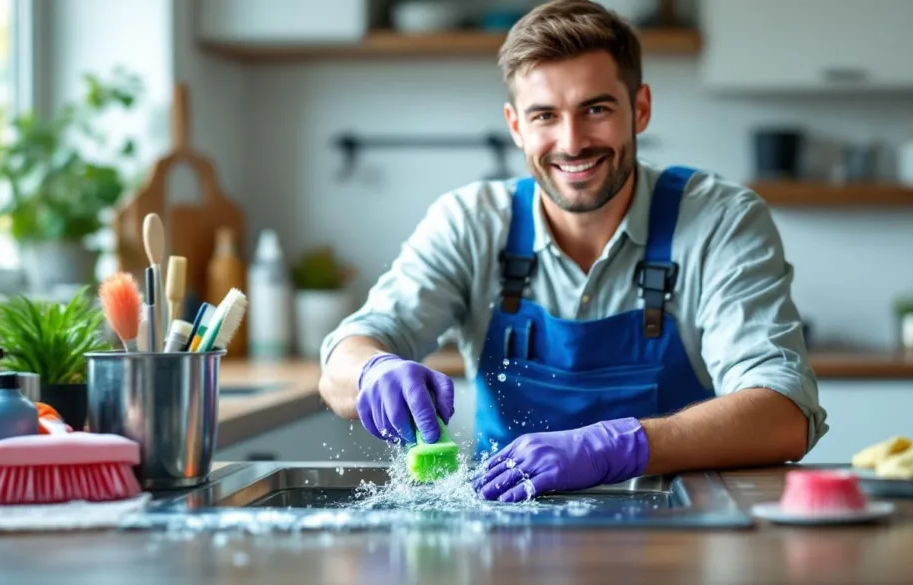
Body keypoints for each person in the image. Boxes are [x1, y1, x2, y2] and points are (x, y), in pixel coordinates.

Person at [317, 0, 828, 503]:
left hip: (679, 533)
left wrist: (614, 446)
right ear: (516, 126)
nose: (572, 141)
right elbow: (345, 359)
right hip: (506, 530)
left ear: (641, 108)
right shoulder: (470, 222)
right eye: (545, 115)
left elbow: (784, 413)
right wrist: (371, 372)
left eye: (596, 109)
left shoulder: (720, 219)